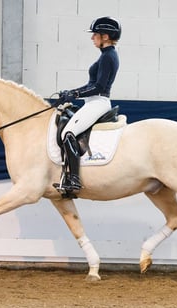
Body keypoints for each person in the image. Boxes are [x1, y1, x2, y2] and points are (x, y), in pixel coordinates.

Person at [54, 16, 121, 195]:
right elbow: (91, 84)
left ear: (105, 37)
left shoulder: (108, 57)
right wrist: (72, 91)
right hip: (93, 101)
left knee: (68, 133)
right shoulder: (105, 56)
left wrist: (75, 95)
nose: (92, 38)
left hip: (98, 102)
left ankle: (74, 179)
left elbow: (98, 87)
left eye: (95, 35)